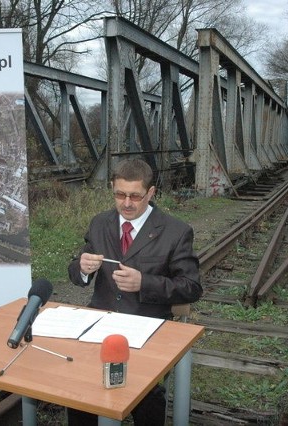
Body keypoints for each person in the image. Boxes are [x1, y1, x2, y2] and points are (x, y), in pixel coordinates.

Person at [67, 157, 203, 426]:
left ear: (151, 193)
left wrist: (145, 283)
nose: (126, 203)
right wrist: (82, 267)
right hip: (100, 327)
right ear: (112, 188)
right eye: (119, 194)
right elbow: (77, 274)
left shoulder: (175, 231)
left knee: (147, 397)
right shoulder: (99, 223)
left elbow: (192, 288)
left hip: (149, 330)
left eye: (135, 196)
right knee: (79, 392)